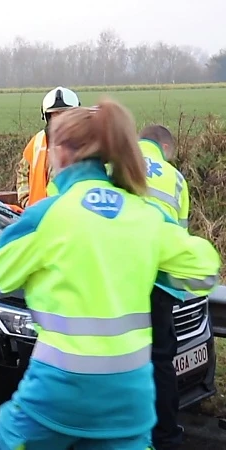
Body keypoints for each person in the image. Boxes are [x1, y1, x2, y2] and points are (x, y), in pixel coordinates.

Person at [0, 98, 221, 449]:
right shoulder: (146, 215)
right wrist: (155, 271)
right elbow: (203, 270)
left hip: (58, 391)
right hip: (130, 398)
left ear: (60, 152)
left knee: (10, 437)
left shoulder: (49, 215)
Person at [138, 124, 190, 450]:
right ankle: (167, 436)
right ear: (166, 147)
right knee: (160, 360)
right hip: (159, 282)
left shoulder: (114, 165)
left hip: (120, 275)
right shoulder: (178, 180)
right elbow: (181, 237)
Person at [15, 86, 81, 208]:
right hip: (38, 217)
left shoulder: (85, 144)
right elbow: (23, 172)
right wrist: (26, 201)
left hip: (69, 217)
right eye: (55, 114)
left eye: (64, 114)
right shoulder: (37, 142)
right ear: (48, 117)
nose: (60, 120)